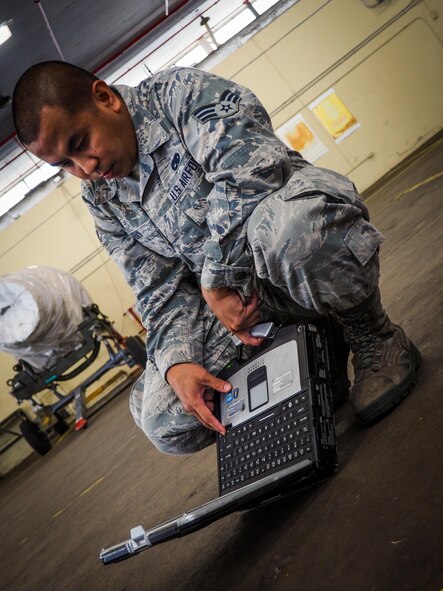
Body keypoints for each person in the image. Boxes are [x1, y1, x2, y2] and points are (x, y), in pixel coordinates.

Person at [12, 61, 421, 454]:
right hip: (240, 307)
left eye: (80, 143)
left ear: (104, 97)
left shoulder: (176, 96)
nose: (85, 167)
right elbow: (158, 289)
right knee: (162, 416)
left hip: (288, 250)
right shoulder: (102, 199)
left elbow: (253, 171)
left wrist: (215, 279)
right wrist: (177, 365)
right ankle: (314, 362)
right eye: (64, 164)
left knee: (291, 232)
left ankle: (376, 339)